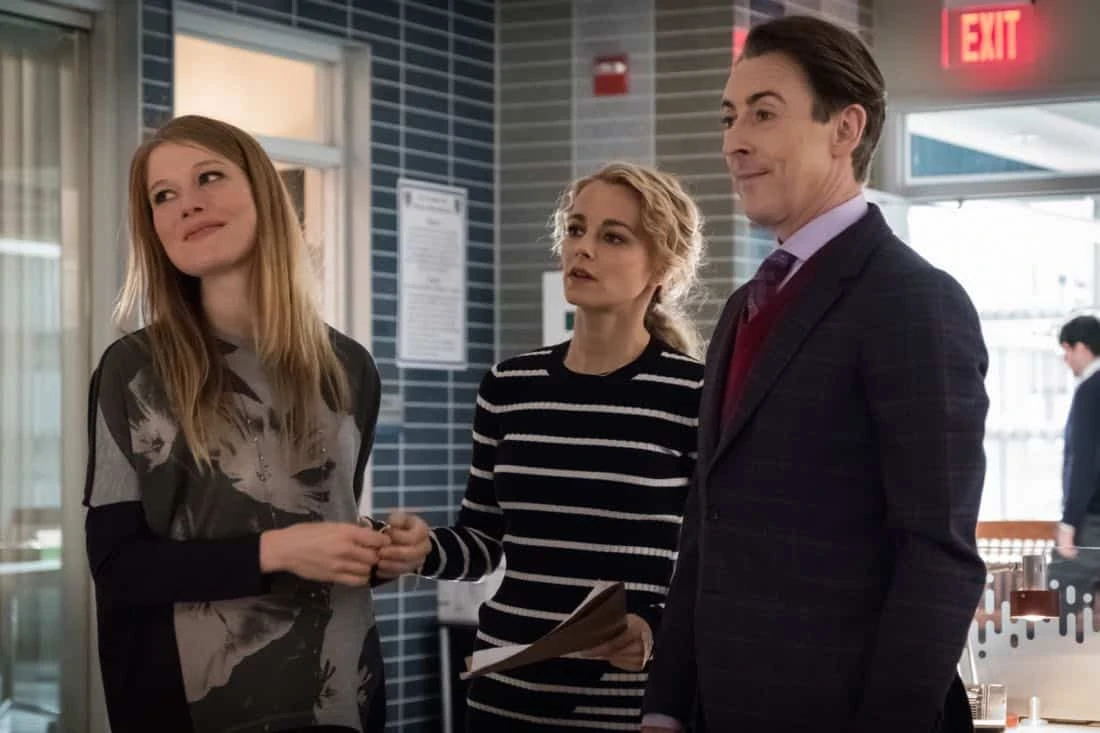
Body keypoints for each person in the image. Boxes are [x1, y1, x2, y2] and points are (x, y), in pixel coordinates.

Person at [641, 15, 989, 733]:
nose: (734, 141)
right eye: (729, 117)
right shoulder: (745, 304)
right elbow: (706, 528)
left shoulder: (912, 300)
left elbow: (937, 553)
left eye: (764, 114)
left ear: (845, 129)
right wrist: (666, 706)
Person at [83, 114, 397, 733]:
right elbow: (117, 565)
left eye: (209, 177)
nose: (188, 204)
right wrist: (278, 551)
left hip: (340, 699)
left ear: (263, 193)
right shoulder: (133, 370)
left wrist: (378, 548)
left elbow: (324, 521)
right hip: (186, 706)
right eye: (163, 196)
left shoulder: (350, 366)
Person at [375, 161, 706, 731]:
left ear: (663, 267)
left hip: (626, 703)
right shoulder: (510, 386)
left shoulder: (693, 394)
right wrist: (421, 550)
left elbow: (714, 563)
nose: (583, 248)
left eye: (613, 237)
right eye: (575, 229)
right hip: (504, 693)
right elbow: (482, 542)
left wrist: (652, 625)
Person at [1052, 316, 1100, 575]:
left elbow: (1084, 459)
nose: (1066, 359)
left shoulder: (1090, 391)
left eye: (1067, 350)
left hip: (1093, 519)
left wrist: (1069, 522)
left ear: (1081, 347)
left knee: (1057, 590)